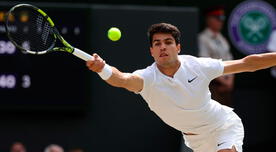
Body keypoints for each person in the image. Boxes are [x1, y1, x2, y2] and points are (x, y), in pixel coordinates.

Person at [86, 23, 276, 152]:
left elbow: (247, 63)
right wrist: (102, 69)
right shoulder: (147, 78)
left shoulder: (199, 66)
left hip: (223, 125)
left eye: (168, 42)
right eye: (157, 43)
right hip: (196, 141)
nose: (163, 47)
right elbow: (123, 80)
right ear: (151, 51)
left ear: (178, 47)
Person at [198, 6, 234, 107]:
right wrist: (223, 82)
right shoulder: (203, 38)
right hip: (212, 85)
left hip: (226, 85)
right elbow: (205, 63)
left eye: (222, 19)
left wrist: (229, 82)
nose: (220, 22)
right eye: (217, 18)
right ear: (208, 19)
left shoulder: (222, 39)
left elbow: (230, 60)